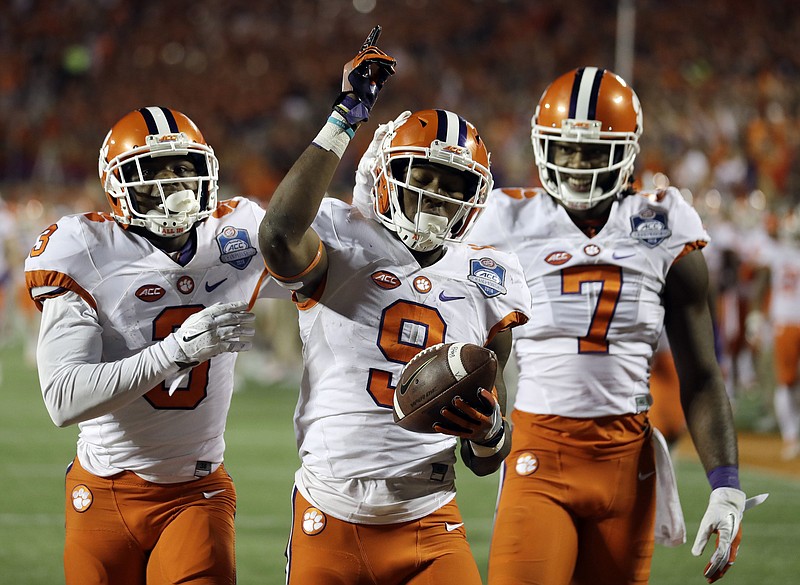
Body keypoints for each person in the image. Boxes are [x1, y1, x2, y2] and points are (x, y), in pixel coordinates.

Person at [469, 67, 765, 584]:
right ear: (543, 148)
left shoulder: (666, 222)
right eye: (565, 150)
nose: (578, 167)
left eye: (592, 153)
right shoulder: (506, 219)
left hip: (627, 461)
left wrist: (725, 482)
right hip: (539, 451)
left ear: (626, 152)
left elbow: (701, 372)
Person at [257, 29, 531, 584]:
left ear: (473, 196)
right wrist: (345, 116)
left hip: (428, 518)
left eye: (453, 182)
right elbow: (279, 236)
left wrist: (487, 432)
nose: (435, 192)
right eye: (422, 174)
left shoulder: (489, 275)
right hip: (329, 510)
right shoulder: (341, 235)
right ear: (386, 174)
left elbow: (487, 456)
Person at [24, 106, 285, 585]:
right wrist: (176, 351)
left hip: (196, 488)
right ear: (119, 185)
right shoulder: (84, 248)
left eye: (184, 169)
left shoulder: (239, 233)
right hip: (104, 489)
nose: (174, 187)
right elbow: (62, 400)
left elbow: (332, 276)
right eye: (154, 173)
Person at [747, 206, 800, 460]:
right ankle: (791, 434)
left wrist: (756, 314)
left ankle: (791, 435)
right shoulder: (778, 254)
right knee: (786, 381)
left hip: (786, 321)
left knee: (785, 382)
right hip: (786, 321)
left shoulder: (777, 253)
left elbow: (761, 280)